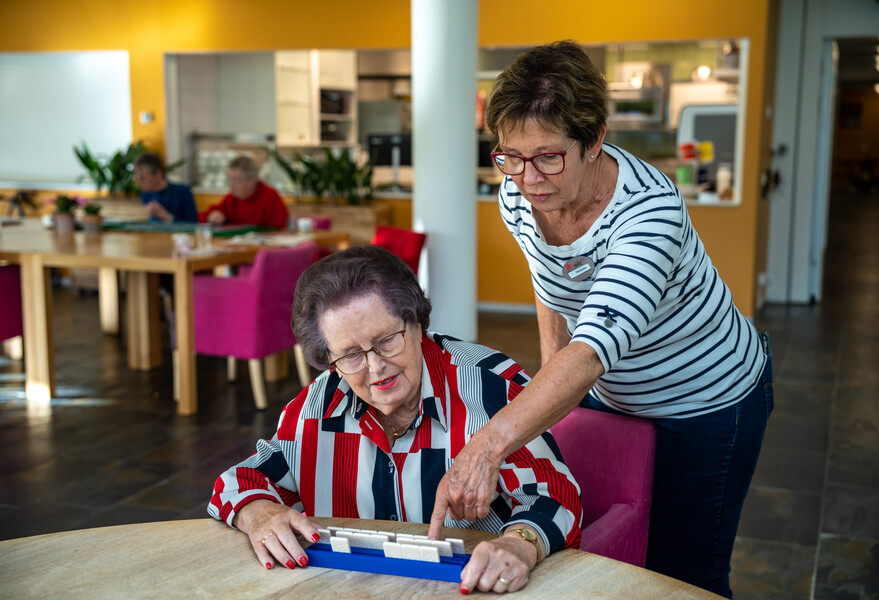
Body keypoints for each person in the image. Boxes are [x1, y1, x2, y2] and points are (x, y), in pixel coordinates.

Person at [427, 40, 774, 599]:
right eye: (509, 156)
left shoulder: (647, 214)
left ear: (594, 141)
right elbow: (550, 284)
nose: (527, 178)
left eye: (546, 156)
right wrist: (548, 377)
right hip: (610, 393)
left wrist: (488, 445)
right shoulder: (519, 194)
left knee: (684, 573)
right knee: (594, 545)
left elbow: (590, 353)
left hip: (706, 400)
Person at [208, 245, 582, 594]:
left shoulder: (491, 388)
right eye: (351, 355)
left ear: (416, 323)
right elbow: (237, 483)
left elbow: (557, 498)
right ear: (330, 361)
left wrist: (518, 545)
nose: (375, 368)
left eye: (386, 340)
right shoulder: (316, 406)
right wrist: (257, 514)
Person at [201, 156, 289, 228]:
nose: (231, 185)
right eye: (229, 179)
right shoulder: (232, 198)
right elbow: (203, 216)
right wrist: (211, 216)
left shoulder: (270, 197)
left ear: (252, 180)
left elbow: (280, 229)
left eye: (236, 180)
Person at [133, 152, 198, 223]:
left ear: (158, 174)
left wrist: (166, 216)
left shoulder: (183, 192)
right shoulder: (145, 195)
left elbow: (193, 225)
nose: (139, 181)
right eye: (137, 177)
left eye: (143, 177)